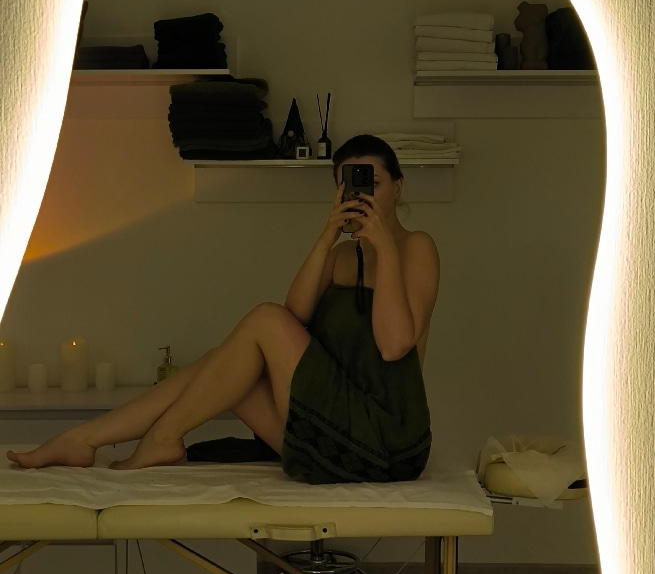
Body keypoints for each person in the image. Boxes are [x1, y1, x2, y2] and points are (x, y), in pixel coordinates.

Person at [7, 135, 440, 484]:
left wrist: (383, 244)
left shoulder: (416, 247)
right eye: (348, 185)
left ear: (398, 187)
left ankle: (161, 437)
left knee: (263, 319)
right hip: (329, 429)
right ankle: (83, 439)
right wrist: (327, 235)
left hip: (384, 442)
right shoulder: (340, 255)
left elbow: (394, 345)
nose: (360, 194)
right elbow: (295, 317)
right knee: (227, 366)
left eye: (371, 183)